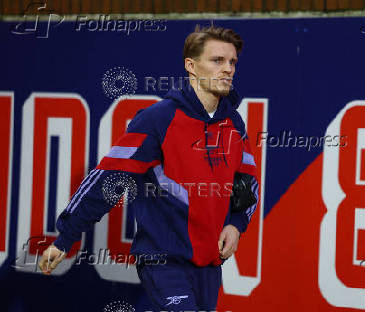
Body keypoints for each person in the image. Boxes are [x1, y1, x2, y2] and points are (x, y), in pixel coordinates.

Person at [38, 25, 259, 311]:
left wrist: (236, 224)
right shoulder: (158, 119)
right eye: (217, 61)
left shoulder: (234, 124)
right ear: (190, 66)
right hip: (163, 262)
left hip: (209, 264)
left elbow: (247, 181)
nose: (228, 69)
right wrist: (65, 237)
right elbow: (108, 179)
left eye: (232, 62)